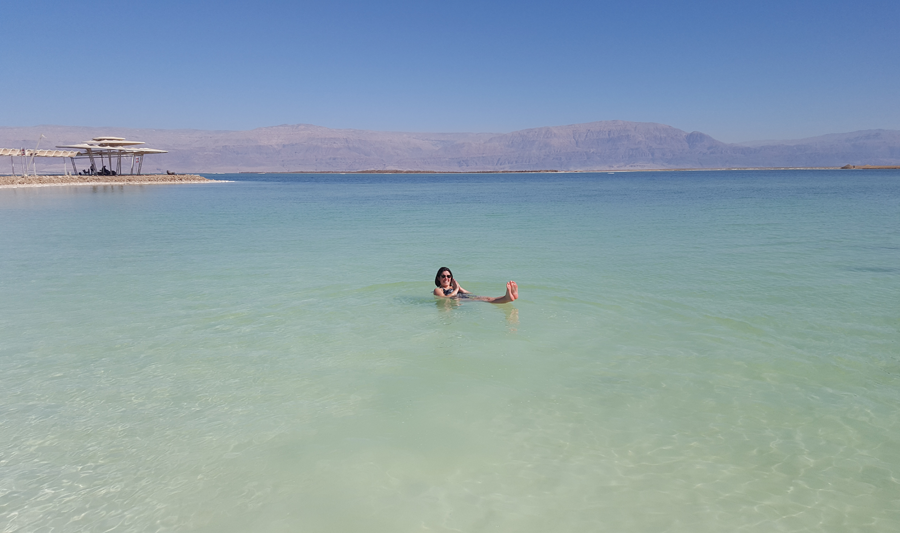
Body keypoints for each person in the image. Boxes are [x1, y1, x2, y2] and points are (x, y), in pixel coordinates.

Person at [433, 267, 518, 304]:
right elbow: (445, 298)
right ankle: (506, 298)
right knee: (487, 300)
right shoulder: (438, 290)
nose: (446, 278)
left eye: (448, 276)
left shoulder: (453, 287)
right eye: (443, 276)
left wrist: (460, 288)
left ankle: (507, 297)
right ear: (438, 278)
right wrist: (456, 289)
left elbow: (468, 293)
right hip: (458, 300)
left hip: (465, 297)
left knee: (487, 298)